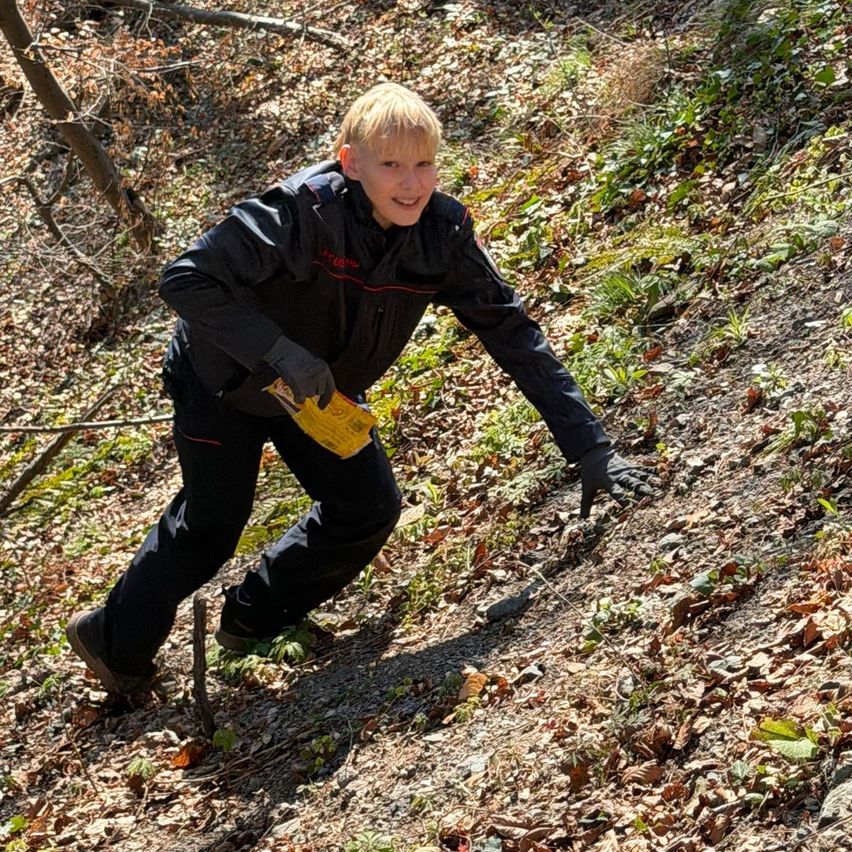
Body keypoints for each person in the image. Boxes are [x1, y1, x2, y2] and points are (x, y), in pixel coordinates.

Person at [66, 83, 655, 694]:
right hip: (221, 382)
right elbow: (185, 278)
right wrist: (279, 352)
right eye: (392, 164)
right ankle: (113, 643)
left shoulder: (442, 236)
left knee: (367, 507)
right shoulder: (298, 212)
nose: (412, 183)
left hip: (319, 398)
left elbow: (511, 333)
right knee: (213, 524)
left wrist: (589, 448)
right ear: (351, 163)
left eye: (424, 163)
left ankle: (253, 618)